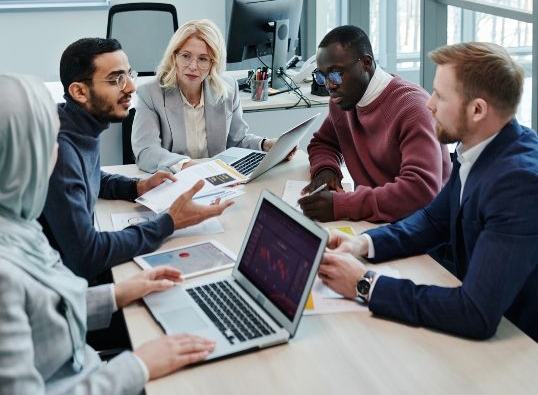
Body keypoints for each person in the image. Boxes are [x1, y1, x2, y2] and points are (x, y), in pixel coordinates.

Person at [0, 73, 216, 394]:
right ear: (19, 155)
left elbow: (47, 312)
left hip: (89, 368)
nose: (57, 155)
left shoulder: (19, 225)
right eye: (47, 141)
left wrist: (117, 294)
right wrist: (138, 365)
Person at [318, 42, 538, 342]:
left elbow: (474, 314)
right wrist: (361, 244)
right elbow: (433, 221)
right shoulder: (478, 146)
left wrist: (364, 283)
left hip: (521, 347)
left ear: (477, 110)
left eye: (440, 96)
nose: (429, 104)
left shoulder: (519, 185)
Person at [40, 38, 233, 282]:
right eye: (115, 79)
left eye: (128, 74)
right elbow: (88, 255)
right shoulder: (61, 151)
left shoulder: (76, 122)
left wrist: (135, 187)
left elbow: (89, 174)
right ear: (79, 92)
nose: (131, 86)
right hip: (60, 288)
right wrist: (169, 222)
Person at [299, 25, 450, 222]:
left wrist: (343, 205)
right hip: (377, 222)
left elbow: (420, 190)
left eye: (335, 74)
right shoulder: (343, 101)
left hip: (421, 230)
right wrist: (326, 170)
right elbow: (324, 143)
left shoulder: (412, 108)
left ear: (366, 63)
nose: (329, 85)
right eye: (322, 76)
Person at [132, 19, 284, 173]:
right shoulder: (150, 93)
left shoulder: (228, 89)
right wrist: (186, 165)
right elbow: (146, 151)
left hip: (216, 180)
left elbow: (237, 141)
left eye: (203, 59)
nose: (193, 66)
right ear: (174, 57)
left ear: (213, 63)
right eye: (186, 56)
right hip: (173, 180)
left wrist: (266, 144)